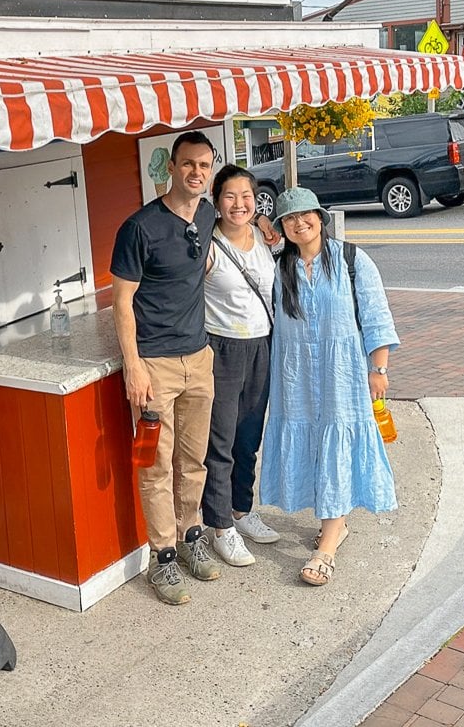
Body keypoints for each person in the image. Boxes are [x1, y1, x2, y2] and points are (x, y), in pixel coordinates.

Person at [259, 186, 400, 587]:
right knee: (313, 445)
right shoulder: (278, 265)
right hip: (296, 376)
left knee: (336, 441)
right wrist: (261, 225)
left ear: (320, 217)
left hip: (344, 373)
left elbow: (375, 315)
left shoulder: (352, 260)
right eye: (289, 218)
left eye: (306, 215)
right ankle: (334, 524)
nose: (298, 223)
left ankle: (327, 545)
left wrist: (379, 368)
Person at [111, 130, 222, 605]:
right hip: (154, 364)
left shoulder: (208, 212)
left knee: (193, 460)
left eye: (204, 165)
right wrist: (133, 367)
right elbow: (121, 301)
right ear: (171, 167)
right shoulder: (140, 228)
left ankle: (191, 536)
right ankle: (163, 559)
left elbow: (204, 256)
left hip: (198, 358)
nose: (197, 173)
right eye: (188, 164)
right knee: (156, 465)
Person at [201, 165, 281, 567]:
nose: (239, 204)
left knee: (249, 435)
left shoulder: (266, 240)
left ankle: (241, 509)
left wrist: (267, 223)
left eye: (245, 196)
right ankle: (220, 527)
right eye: (230, 196)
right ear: (216, 201)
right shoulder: (206, 244)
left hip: (260, 346)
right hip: (222, 349)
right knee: (221, 440)